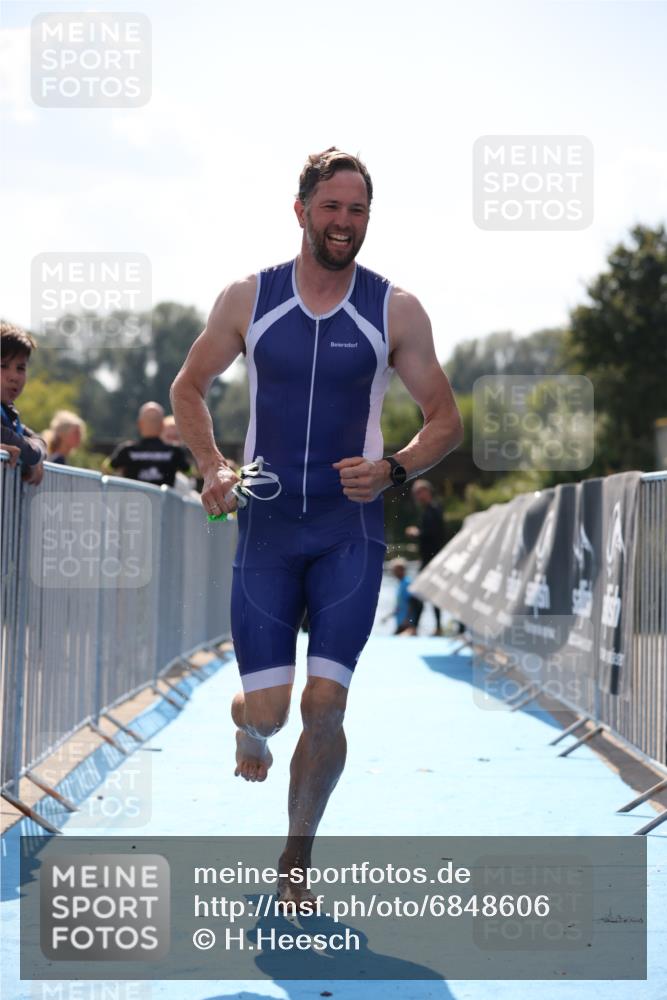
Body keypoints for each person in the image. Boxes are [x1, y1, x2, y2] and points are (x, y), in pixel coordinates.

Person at [170, 147, 463, 908]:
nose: (343, 222)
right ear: (301, 210)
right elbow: (189, 386)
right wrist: (212, 465)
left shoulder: (394, 308)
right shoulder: (249, 297)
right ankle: (249, 728)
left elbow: (444, 419)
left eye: (357, 210)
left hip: (348, 533)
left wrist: (394, 468)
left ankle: (296, 856)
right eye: (331, 207)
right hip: (267, 530)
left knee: (326, 705)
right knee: (271, 713)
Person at [0, 321, 47, 485]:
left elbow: (38, 442)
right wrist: (33, 457)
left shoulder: (9, 412)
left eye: (20, 368)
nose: (14, 376)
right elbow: (30, 451)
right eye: (3, 366)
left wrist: (35, 458)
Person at [106, 401, 190, 487]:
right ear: (162, 425)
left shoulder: (126, 450)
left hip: (134, 495)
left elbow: (106, 468)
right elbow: (190, 471)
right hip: (163, 495)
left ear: (139, 424)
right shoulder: (175, 452)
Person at [404, 478, 447, 635]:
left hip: (433, 561)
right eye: (415, 493)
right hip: (428, 560)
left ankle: (416, 627)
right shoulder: (427, 510)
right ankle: (433, 627)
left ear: (427, 492)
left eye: (419, 492)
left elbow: (434, 534)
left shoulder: (434, 510)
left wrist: (417, 533)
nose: (417, 496)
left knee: (418, 593)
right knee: (426, 594)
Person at [382, 557, 415, 634]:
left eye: (395, 570)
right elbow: (400, 605)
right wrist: (388, 617)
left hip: (406, 623)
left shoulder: (407, 583)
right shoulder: (401, 584)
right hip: (400, 622)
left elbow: (412, 602)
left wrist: (407, 620)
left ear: (402, 570)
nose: (393, 573)